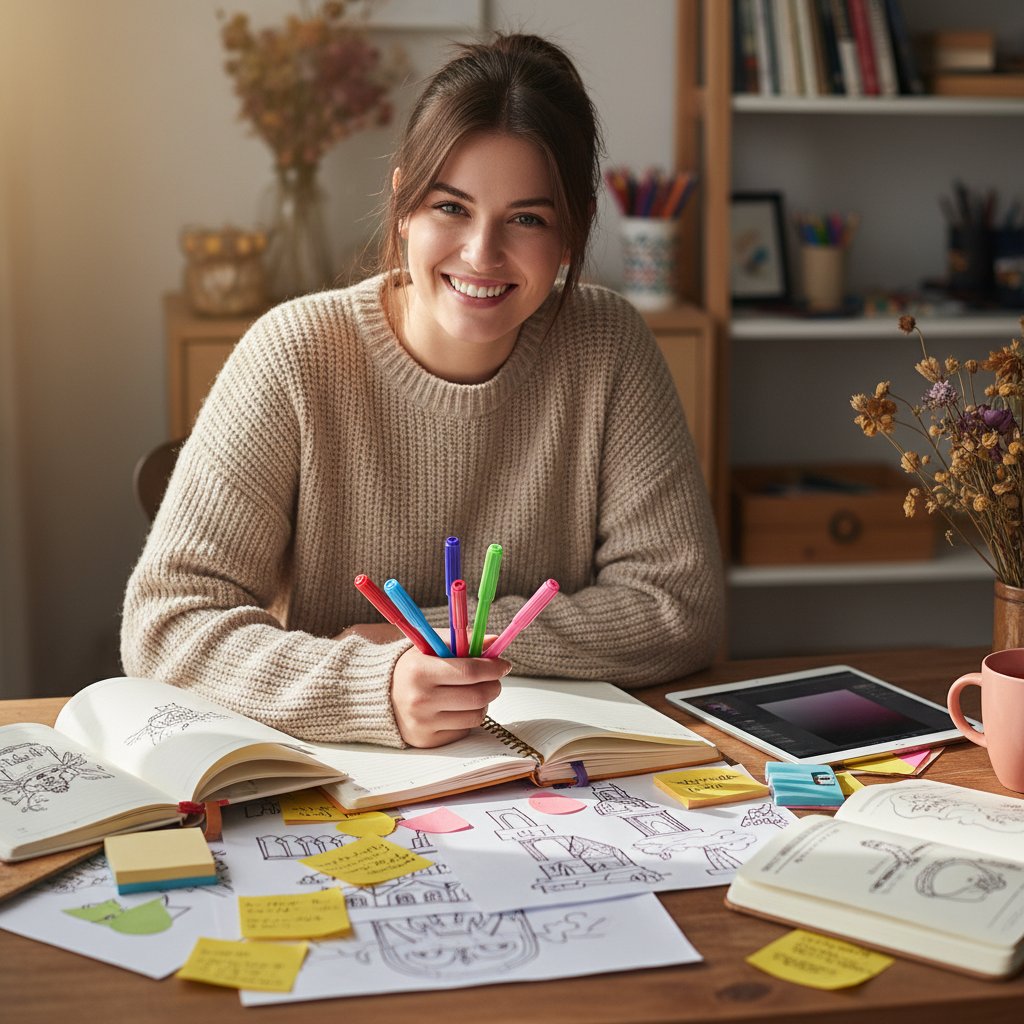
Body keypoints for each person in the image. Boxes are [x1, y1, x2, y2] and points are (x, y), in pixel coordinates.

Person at [121, 32, 724, 750]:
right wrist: (373, 685)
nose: (481, 253)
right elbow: (167, 624)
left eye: (526, 219)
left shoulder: (609, 346)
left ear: (570, 235)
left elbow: (680, 607)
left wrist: (443, 641)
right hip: (340, 780)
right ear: (404, 203)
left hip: (544, 778)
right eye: (451, 208)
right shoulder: (295, 354)